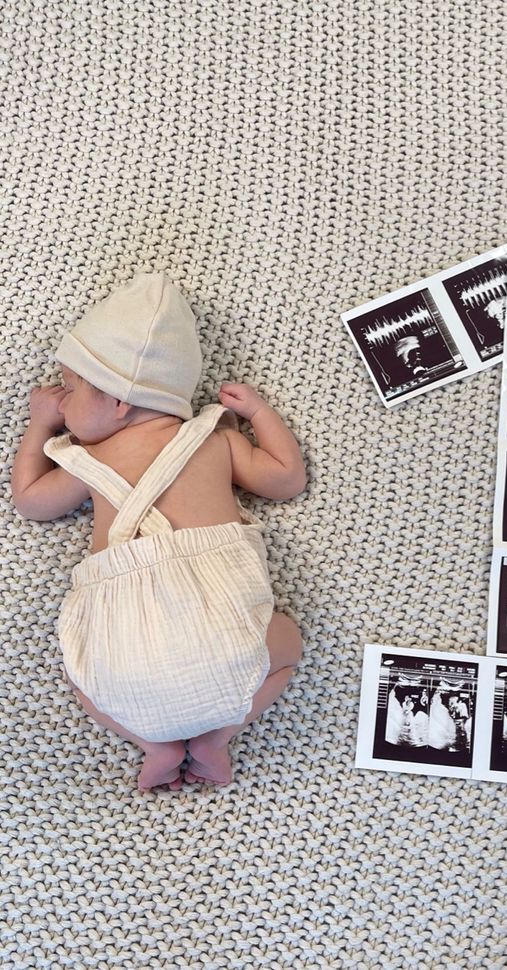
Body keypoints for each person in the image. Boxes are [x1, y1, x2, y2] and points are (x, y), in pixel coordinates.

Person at [11, 272, 307, 791]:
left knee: (87, 680)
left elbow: (30, 501)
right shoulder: (213, 439)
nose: (60, 402)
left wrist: (39, 426)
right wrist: (259, 412)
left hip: (123, 652)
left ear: (119, 403)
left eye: (71, 388)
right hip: (224, 634)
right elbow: (285, 479)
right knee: (287, 644)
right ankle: (221, 736)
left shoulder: (89, 459)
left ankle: (155, 745)